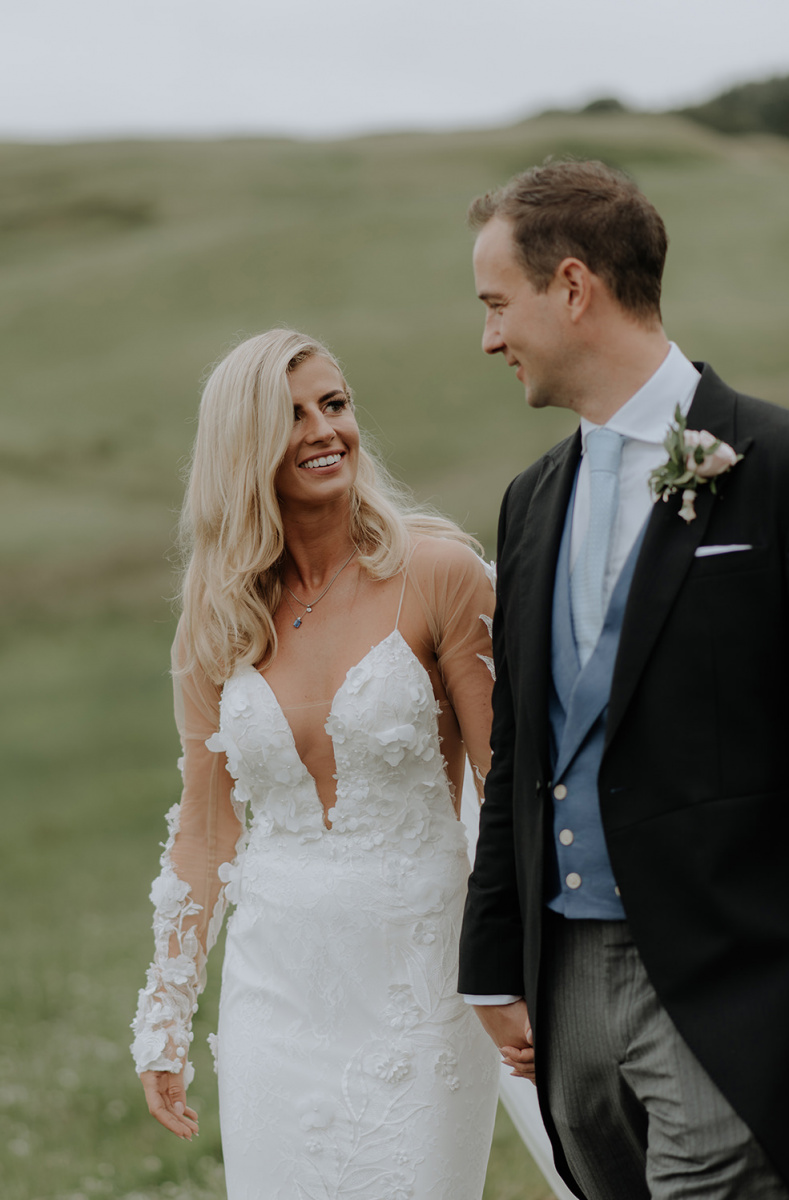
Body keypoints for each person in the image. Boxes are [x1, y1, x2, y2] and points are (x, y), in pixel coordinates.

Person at [458, 159, 789, 1200]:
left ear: (572, 287)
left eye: (496, 304)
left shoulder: (780, 468)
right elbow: (519, 747)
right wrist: (494, 960)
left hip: (731, 981)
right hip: (567, 992)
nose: (488, 339)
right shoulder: (529, 501)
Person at [130, 329, 501, 1199]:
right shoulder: (216, 620)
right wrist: (165, 1014)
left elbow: (507, 786)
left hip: (421, 988)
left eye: (334, 404)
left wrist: (521, 965)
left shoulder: (440, 574)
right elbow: (206, 831)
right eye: (291, 415)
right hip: (275, 997)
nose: (324, 429)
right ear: (244, 446)